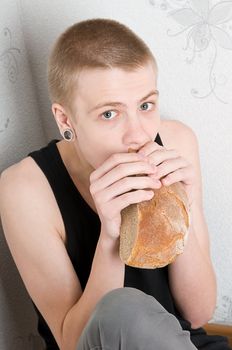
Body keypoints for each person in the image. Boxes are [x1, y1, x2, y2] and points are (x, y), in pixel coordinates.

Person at [0, 18, 231, 350]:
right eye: (110, 114)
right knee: (124, 311)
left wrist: (184, 206)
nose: (138, 134)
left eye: (146, 105)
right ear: (65, 119)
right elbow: (71, 341)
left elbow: (196, 315)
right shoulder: (25, 188)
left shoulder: (177, 141)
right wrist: (111, 235)